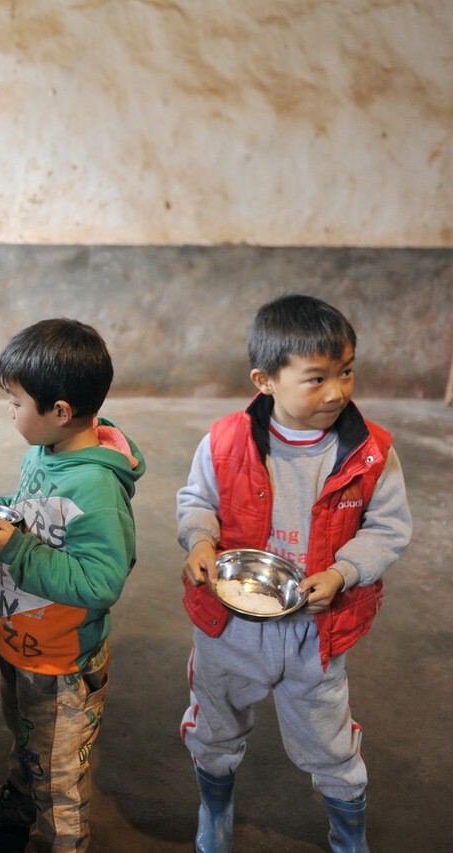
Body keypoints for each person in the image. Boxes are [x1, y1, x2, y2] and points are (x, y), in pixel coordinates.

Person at [177, 294, 412, 853]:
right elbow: (196, 500)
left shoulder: (371, 454)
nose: (337, 391)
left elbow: (388, 530)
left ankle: (348, 833)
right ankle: (215, 809)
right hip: (228, 628)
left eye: (346, 372)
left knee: (329, 745)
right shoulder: (223, 441)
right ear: (265, 380)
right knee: (214, 729)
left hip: (317, 635)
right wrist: (200, 539)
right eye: (316, 378)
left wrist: (344, 572)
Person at [0, 319, 145, 853]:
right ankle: (20, 802)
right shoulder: (46, 451)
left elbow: (101, 579)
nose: (10, 411)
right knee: (28, 740)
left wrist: (16, 549)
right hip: (24, 643)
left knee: (60, 782)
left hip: (63, 663)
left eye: (15, 402)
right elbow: (38, 517)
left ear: (60, 411)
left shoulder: (97, 486)